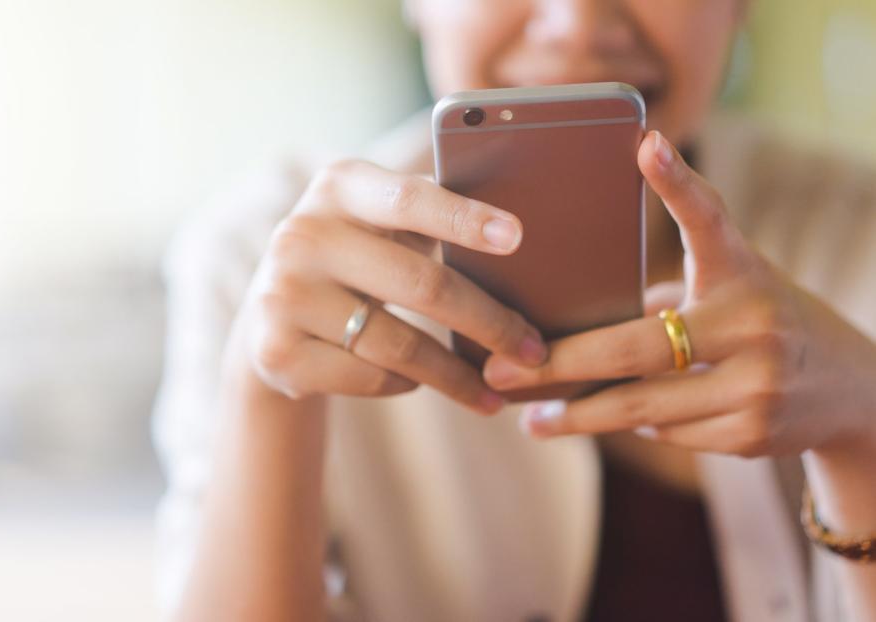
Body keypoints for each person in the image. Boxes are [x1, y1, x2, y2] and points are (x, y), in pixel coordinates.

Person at [152, 1, 876, 620]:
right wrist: (268, 395)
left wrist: (862, 427)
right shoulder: (258, 257)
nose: (577, 25)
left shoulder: (857, 229)